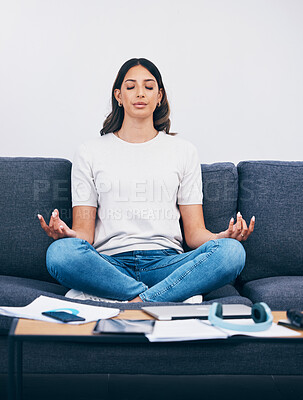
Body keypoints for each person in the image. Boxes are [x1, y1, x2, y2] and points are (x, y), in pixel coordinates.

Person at [38, 57, 255, 304]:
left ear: (159, 96)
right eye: (131, 87)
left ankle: (138, 302)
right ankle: (161, 297)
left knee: (232, 253)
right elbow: (85, 235)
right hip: (109, 265)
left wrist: (224, 236)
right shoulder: (89, 151)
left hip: (167, 264)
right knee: (60, 254)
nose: (140, 93)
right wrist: (66, 233)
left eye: (149, 87)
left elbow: (194, 234)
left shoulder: (183, 151)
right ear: (118, 96)